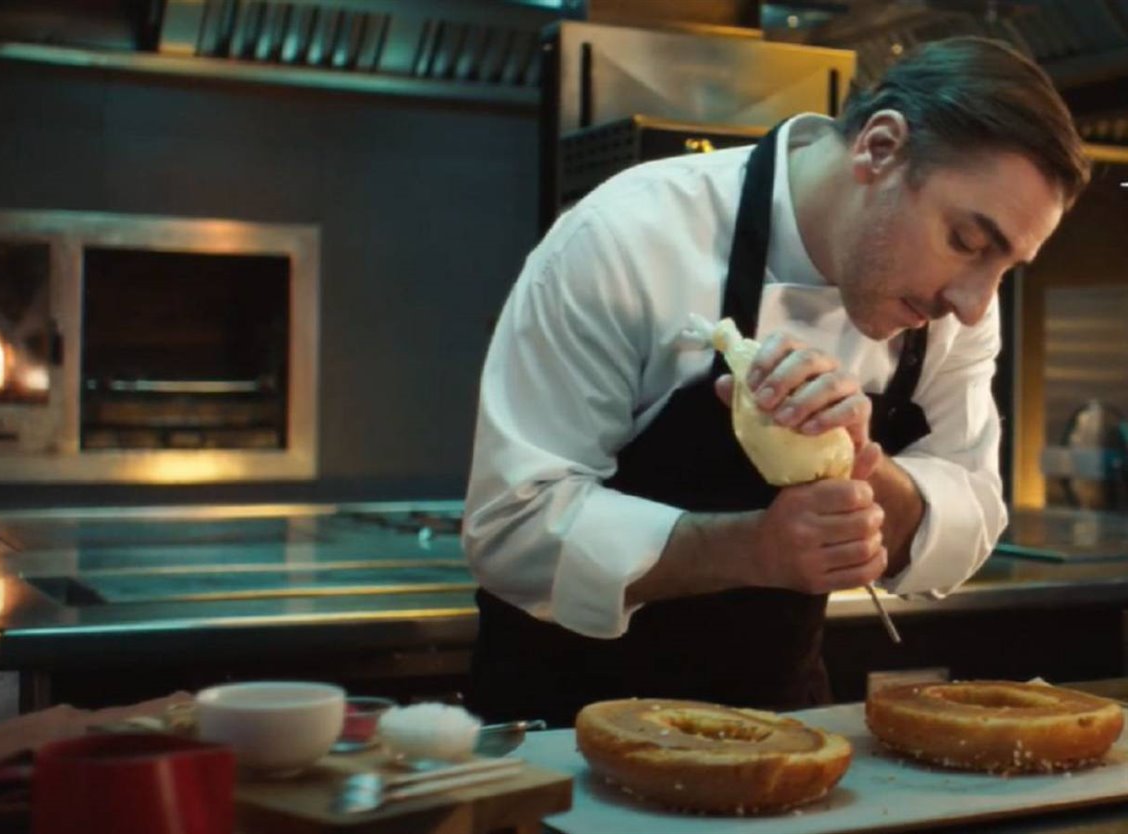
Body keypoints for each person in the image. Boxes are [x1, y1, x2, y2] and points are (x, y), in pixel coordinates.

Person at [462, 36, 1089, 727]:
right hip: (569, 733)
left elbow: (970, 510)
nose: (974, 303)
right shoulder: (626, 237)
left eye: (1005, 267)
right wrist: (756, 548)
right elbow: (512, 531)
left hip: (781, 728)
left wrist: (862, 474)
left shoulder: (957, 304)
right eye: (968, 242)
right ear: (879, 149)